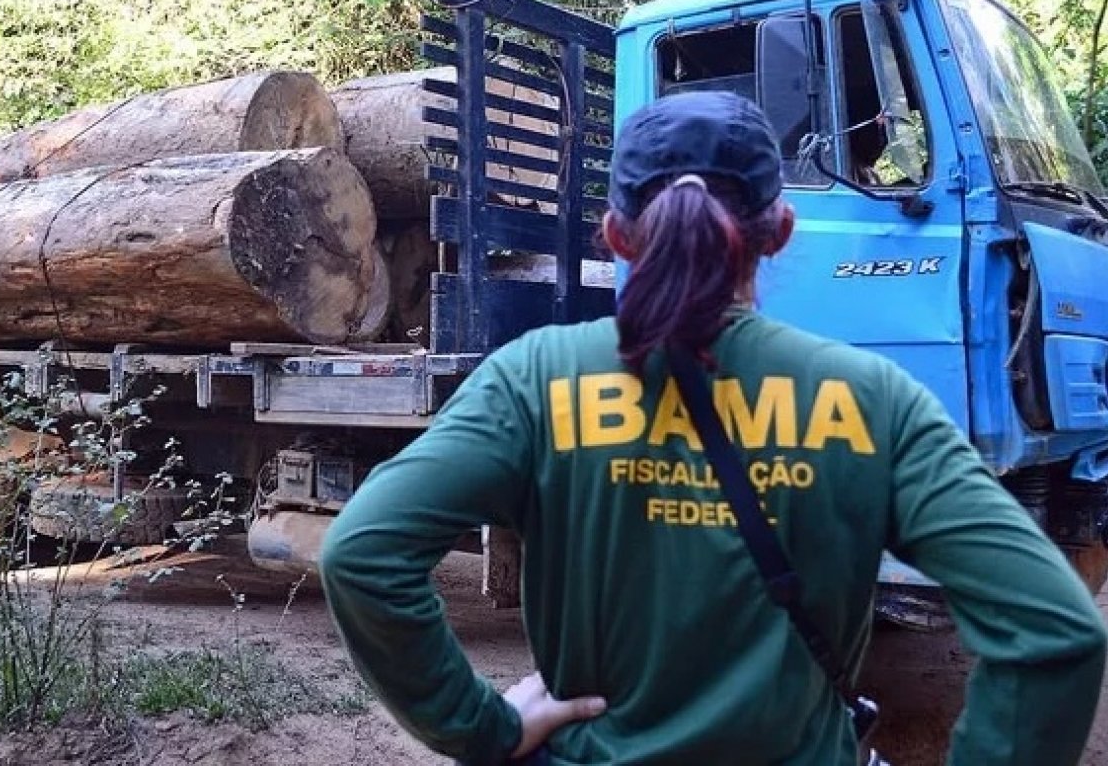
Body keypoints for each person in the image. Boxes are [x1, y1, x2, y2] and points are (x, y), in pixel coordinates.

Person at [319, 91, 1107, 765]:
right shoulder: (874, 399)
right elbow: (1052, 634)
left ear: (617, 235)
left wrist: (483, 729)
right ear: (782, 230)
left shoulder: (535, 380)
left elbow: (363, 554)